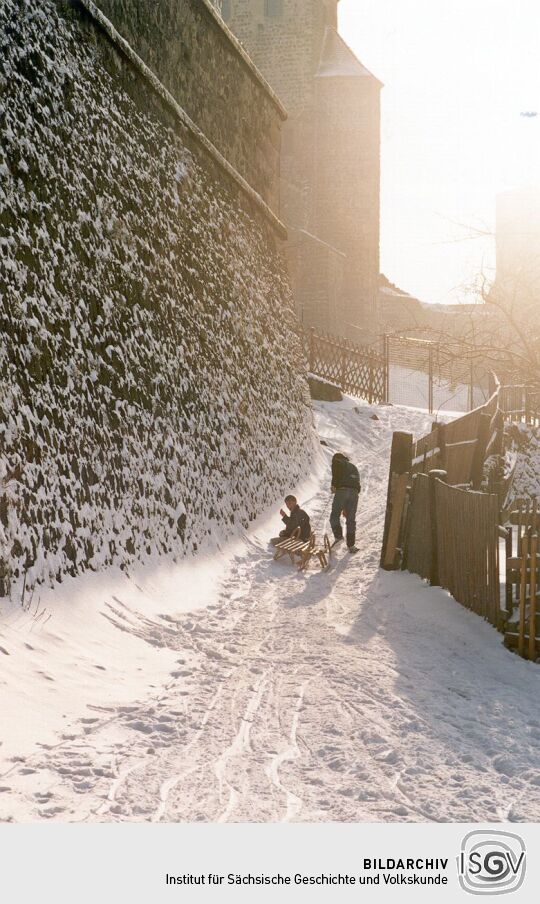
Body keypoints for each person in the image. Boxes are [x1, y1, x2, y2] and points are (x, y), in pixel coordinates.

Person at [330, 452, 360, 553]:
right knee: (351, 519)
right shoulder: (353, 467)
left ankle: (338, 536)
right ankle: (351, 545)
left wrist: (334, 485)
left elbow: (336, 473)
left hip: (342, 490)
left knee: (334, 515)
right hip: (354, 493)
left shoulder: (337, 462)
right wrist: (345, 508)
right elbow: (356, 484)